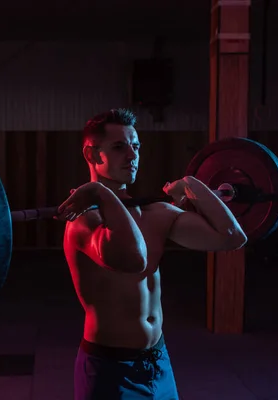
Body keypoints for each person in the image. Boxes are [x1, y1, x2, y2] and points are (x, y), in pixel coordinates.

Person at [57, 109, 247, 400]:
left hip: (157, 361)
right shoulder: (84, 222)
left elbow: (231, 237)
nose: (132, 155)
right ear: (93, 156)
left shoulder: (154, 213)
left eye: (136, 147)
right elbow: (134, 259)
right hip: (109, 367)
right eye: (119, 147)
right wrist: (103, 195)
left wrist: (193, 185)